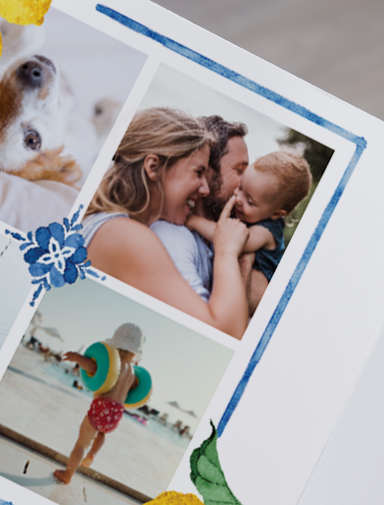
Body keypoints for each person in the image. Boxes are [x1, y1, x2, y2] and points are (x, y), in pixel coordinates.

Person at [83, 108, 250, 340]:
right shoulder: (125, 236)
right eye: (198, 172)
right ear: (153, 167)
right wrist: (227, 250)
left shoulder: (114, 226)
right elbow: (223, 333)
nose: (205, 188)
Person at [187, 150, 312, 314]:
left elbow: (230, 238)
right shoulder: (251, 215)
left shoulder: (266, 231)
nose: (238, 199)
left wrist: (194, 221)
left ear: (276, 213)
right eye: (240, 187)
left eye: (250, 201)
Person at [53, 323, 144, 485]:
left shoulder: (113, 364)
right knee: (101, 433)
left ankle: (68, 474)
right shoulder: (132, 372)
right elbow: (132, 390)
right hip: (116, 414)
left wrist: (78, 358)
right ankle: (92, 454)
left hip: (101, 407)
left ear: (115, 345)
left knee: (82, 443)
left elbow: (93, 368)